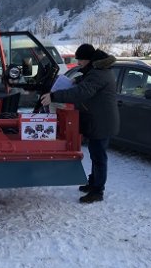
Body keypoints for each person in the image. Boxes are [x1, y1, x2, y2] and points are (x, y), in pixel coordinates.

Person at [40, 43, 119, 203]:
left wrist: (54, 96)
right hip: (97, 120)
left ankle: (98, 191)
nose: (78, 63)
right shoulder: (97, 71)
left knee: (99, 156)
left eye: (80, 60)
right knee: (95, 153)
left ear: (89, 60)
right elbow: (86, 85)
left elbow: (83, 92)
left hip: (101, 121)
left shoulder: (99, 74)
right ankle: (93, 183)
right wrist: (79, 80)